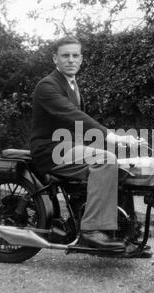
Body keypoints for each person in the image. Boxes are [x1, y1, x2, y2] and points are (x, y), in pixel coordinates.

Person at [29, 36, 138, 250]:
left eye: (75, 55)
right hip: (50, 150)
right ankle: (91, 230)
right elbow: (73, 116)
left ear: (81, 59)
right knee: (106, 160)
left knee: (121, 165)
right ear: (55, 59)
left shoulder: (71, 84)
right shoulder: (48, 86)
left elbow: (77, 125)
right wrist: (113, 137)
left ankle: (124, 228)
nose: (71, 60)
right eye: (65, 55)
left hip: (67, 147)